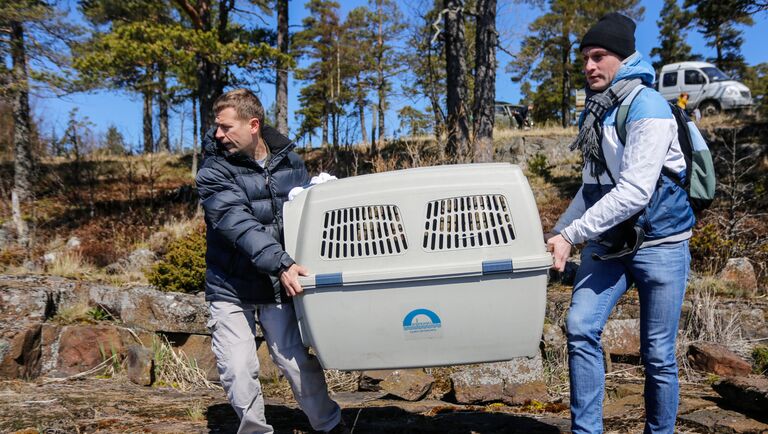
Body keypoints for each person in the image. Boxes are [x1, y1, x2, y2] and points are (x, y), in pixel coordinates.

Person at [545, 13, 694, 434]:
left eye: (599, 56)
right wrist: (560, 232)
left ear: (623, 58)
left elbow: (634, 192)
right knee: (580, 326)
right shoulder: (596, 111)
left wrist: (574, 235)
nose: (589, 66)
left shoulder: (649, 107)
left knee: (658, 354)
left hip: (662, 244)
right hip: (611, 243)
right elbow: (591, 187)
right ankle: (586, 431)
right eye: (585, 59)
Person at [196, 88, 349, 434]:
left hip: (274, 284)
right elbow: (238, 222)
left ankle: (330, 425)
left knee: (294, 361)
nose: (218, 135)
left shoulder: (288, 160)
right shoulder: (213, 170)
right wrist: (282, 264)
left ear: (253, 125)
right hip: (230, 285)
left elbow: (300, 213)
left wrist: (323, 194)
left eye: (225, 127)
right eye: (216, 127)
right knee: (237, 368)